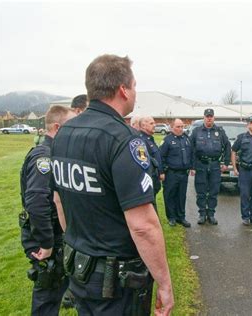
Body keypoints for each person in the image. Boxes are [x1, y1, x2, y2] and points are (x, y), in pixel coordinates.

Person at [51, 54, 174, 315]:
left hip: (79, 268)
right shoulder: (124, 139)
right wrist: (164, 282)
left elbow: (59, 200)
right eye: (135, 86)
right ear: (123, 90)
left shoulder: (64, 134)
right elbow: (142, 225)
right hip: (115, 284)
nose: (135, 93)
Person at [20, 105, 76, 315]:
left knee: (59, 285)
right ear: (56, 127)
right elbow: (36, 200)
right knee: (48, 294)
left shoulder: (56, 152)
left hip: (57, 233)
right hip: (47, 235)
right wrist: (46, 242)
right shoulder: (44, 156)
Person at [189, 108, 231, 225]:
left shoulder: (220, 131)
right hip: (200, 164)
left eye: (211, 116)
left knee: (214, 190)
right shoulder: (197, 131)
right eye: (207, 116)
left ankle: (211, 214)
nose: (209, 118)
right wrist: (192, 166)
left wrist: (226, 163)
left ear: (214, 118)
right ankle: (202, 214)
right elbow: (191, 149)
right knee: (201, 191)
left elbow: (227, 147)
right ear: (204, 117)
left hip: (215, 165)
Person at [160, 118, 192, 227]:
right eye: (177, 127)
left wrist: (191, 167)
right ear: (172, 127)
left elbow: (190, 154)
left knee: (181, 196)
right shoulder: (167, 140)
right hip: (171, 173)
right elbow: (161, 157)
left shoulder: (186, 139)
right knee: (170, 195)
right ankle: (171, 217)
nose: (180, 129)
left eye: (182, 126)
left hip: (183, 173)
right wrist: (162, 171)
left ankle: (181, 217)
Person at [138, 116, 164, 212]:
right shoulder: (141, 141)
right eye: (151, 123)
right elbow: (144, 164)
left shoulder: (150, 139)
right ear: (143, 126)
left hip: (154, 179)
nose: (155, 125)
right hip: (149, 181)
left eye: (154, 123)